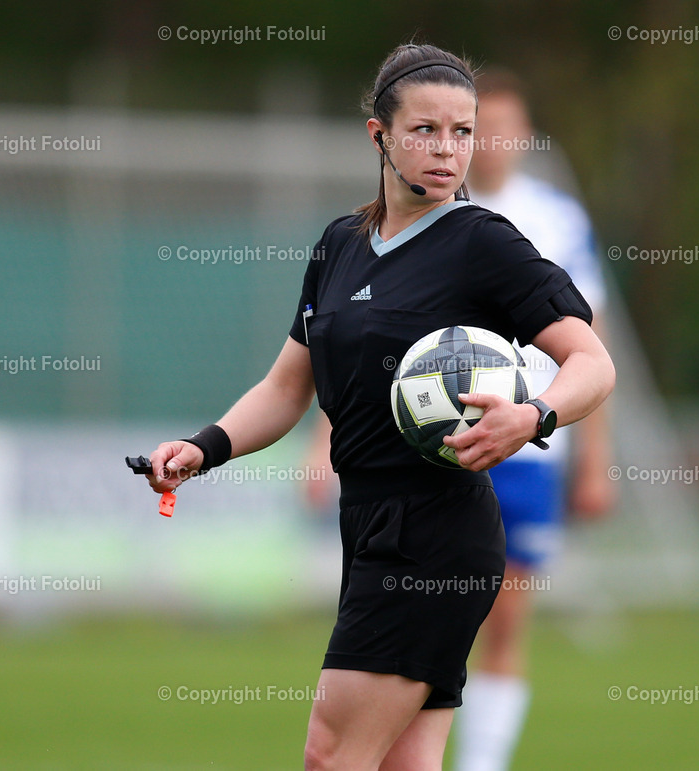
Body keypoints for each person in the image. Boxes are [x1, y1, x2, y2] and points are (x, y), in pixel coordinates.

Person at [143, 42, 615, 771]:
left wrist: (534, 416)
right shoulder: (340, 245)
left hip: (434, 532)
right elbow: (286, 387)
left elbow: (593, 362)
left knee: (331, 755)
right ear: (380, 135)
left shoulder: (482, 243)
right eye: (426, 129)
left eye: (463, 131)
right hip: (366, 526)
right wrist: (204, 447)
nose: (448, 149)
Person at [455, 69, 617, 771]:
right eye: (478, 128)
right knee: (424, 620)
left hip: (529, 449)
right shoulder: (424, 213)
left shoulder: (557, 219)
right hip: (438, 447)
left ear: (525, 136)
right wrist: (328, 439)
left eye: (504, 127)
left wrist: (595, 459)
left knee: (505, 619)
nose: (492, 141)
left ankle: (480, 764)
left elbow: (592, 344)